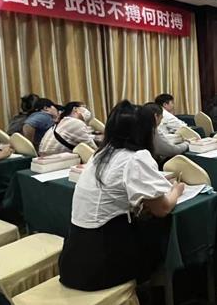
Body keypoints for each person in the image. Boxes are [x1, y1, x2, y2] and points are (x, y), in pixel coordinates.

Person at [58, 101, 185, 291]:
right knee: (160, 233)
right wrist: (176, 190)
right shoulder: (136, 157)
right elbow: (163, 208)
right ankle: (165, 294)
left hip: (74, 259)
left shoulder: (99, 155)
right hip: (102, 265)